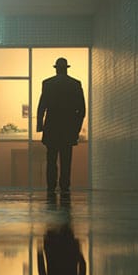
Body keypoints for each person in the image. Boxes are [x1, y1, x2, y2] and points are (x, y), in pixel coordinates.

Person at [36, 57, 85, 194]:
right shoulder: (75, 84)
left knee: (51, 160)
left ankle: (51, 186)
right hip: (68, 129)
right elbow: (81, 110)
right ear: (66, 68)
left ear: (56, 69)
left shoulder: (48, 84)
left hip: (51, 128)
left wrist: (40, 126)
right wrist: (76, 129)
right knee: (66, 160)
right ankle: (65, 186)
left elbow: (42, 107)